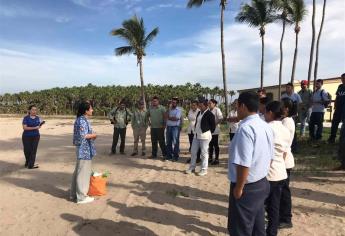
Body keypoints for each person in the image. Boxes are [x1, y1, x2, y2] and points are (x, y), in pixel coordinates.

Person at [227, 91, 273, 236]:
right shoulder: (265, 125)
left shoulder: (245, 129)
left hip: (247, 187)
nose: (237, 109)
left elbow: (243, 163)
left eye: (237, 106)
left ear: (243, 106)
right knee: (258, 227)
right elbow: (271, 156)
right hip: (262, 182)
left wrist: (239, 188)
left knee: (240, 229)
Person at [264, 101, 290, 236]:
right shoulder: (285, 129)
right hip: (280, 172)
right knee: (274, 207)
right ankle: (272, 232)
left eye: (265, 112)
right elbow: (285, 152)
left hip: (268, 173)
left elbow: (266, 155)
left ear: (270, 113)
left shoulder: (267, 128)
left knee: (261, 206)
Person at [71, 101, 97, 204]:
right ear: (86, 111)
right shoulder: (81, 120)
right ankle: (81, 196)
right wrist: (94, 135)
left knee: (78, 171)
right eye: (91, 108)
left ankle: (74, 194)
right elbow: (83, 136)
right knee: (83, 173)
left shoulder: (82, 119)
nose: (92, 110)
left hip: (83, 149)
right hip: (83, 150)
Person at [279, 98, 297, 229]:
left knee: (284, 192)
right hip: (283, 160)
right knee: (280, 191)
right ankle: (281, 215)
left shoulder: (287, 122)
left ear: (286, 108)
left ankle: (286, 218)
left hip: (284, 161)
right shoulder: (284, 120)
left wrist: (279, 161)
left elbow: (284, 144)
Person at [185, 99, 215, 176]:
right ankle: (192, 168)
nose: (200, 107)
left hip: (205, 136)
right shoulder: (199, 113)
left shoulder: (210, 114)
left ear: (206, 106)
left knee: (204, 153)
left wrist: (207, 132)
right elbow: (197, 123)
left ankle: (204, 170)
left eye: (201, 106)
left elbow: (213, 126)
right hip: (196, 135)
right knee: (193, 151)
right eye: (199, 106)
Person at [22, 105, 43, 169]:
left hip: (36, 136)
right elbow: (25, 128)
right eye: (33, 110)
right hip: (26, 136)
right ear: (29, 111)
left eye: (35, 110)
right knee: (27, 150)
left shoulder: (38, 118)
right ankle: (28, 162)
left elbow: (39, 125)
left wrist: (40, 125)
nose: (34, 111)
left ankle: (31, 165)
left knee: (33, 150)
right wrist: (35, 127)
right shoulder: (26, 118)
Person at [328, 73, 345, 143]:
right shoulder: (340, 86)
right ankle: (332, 138)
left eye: (344, 78)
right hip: (338, 108)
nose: (343, 80)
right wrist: (335, 105)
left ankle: (342, 140)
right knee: (334, 123)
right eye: (342, 78)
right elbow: (337, 96)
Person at [166, 97, 182, 161]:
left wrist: (169, 117)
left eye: (174, 102)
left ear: (177, 103)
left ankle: (175, 156)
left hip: (175, 127)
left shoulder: (179, 110)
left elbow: (176, 118)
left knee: (175, 142)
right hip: (168, 127)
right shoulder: (169, 109)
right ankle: (169, 156)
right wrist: (168, 110)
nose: (173, 103)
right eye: (172, 102)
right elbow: (165, 116)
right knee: (168, 141)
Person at [208, 99, 223, 165]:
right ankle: (210, 158)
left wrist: (214, 124)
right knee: (210, 145)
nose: (209, 104)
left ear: (214, 104)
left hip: (215, 130)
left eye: (210, 103)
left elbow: (220, 118)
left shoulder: (217, 110)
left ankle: (217, 159)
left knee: (215, 145)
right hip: (209, 130)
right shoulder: (208, 110)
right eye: (208, 103)